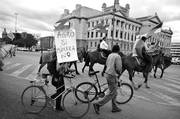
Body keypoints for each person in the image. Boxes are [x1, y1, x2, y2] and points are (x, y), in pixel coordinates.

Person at [93, 44, 122, 114]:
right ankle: (98, 104)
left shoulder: (110, 55)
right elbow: (118, 68)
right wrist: (119, 73)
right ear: (118, 50)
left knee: (114, 91)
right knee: (112, 93)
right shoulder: (117, 56)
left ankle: (114, 107)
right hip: (112, 75)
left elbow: (106, 64)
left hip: (108, 74)